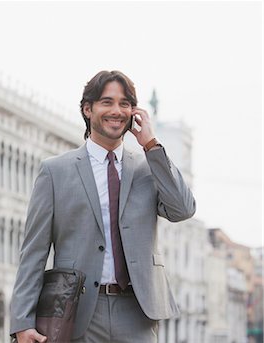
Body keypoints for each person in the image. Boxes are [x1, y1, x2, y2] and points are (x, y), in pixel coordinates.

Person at [10, 70, 196, 343]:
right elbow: (33, 252)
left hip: (137, 311)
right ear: (88, 109)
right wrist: (22, 323)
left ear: (134, 112)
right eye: (107, 102)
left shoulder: (148, 168)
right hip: (78, 311)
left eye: (125, 104)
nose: (117, 111)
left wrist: (151, 145)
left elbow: (183, 209)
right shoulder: (55, 171)